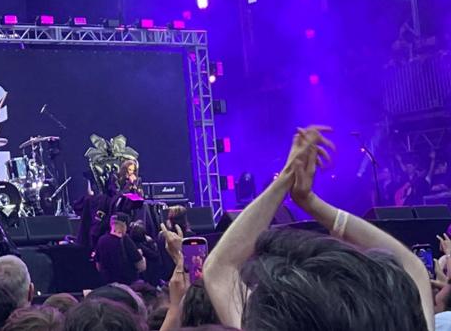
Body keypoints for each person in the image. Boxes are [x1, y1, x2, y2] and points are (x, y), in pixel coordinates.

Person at [203, 125, 432, 331]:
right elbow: (412, 266)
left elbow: (220, 266)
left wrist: (286, 179)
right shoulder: (400, 318)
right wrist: (311, 202)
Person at [92, 212, 146, 285]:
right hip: (127, 286)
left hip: (108, 285)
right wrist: (141, 255)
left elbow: (98, 266)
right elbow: (141, 267)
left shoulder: (101, 240)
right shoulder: (126, 240)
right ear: (124, 224)